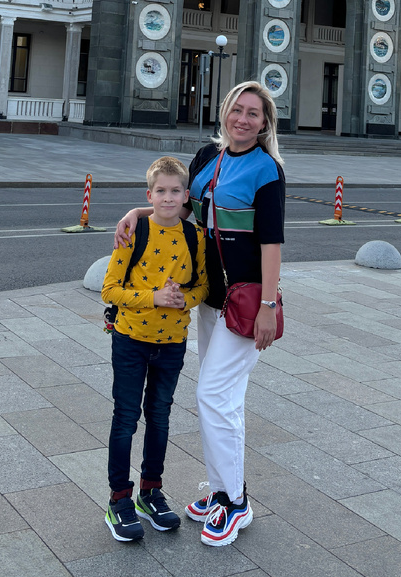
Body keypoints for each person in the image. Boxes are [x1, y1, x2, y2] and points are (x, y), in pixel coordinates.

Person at [115, 80, 285, 548]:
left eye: (254, 113)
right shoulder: (207, 156)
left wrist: (269, 306)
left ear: (264, 123)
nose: (243, 119)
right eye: (237, 109)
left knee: (213, 395)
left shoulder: (266, 170)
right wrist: (137, 209)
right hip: (211, 299)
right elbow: (181, 206)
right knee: (223, 400)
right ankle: (222, 491)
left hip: (248, 301)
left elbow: (271, 244)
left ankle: (233, 502)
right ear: (225, 111)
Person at [101, 155, 206, 543]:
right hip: (130, 341)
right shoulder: (135, 231)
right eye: (160, 191)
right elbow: (110, 289)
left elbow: (203, 287)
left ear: (186, 196)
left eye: (175, 191)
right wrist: (154, 298)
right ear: (149, 194)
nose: (167, 198)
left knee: (159, 418)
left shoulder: (195, 237)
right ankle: (119, 499)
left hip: (172, 344)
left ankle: (150, 491)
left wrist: (184, 301)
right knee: (126, 419)